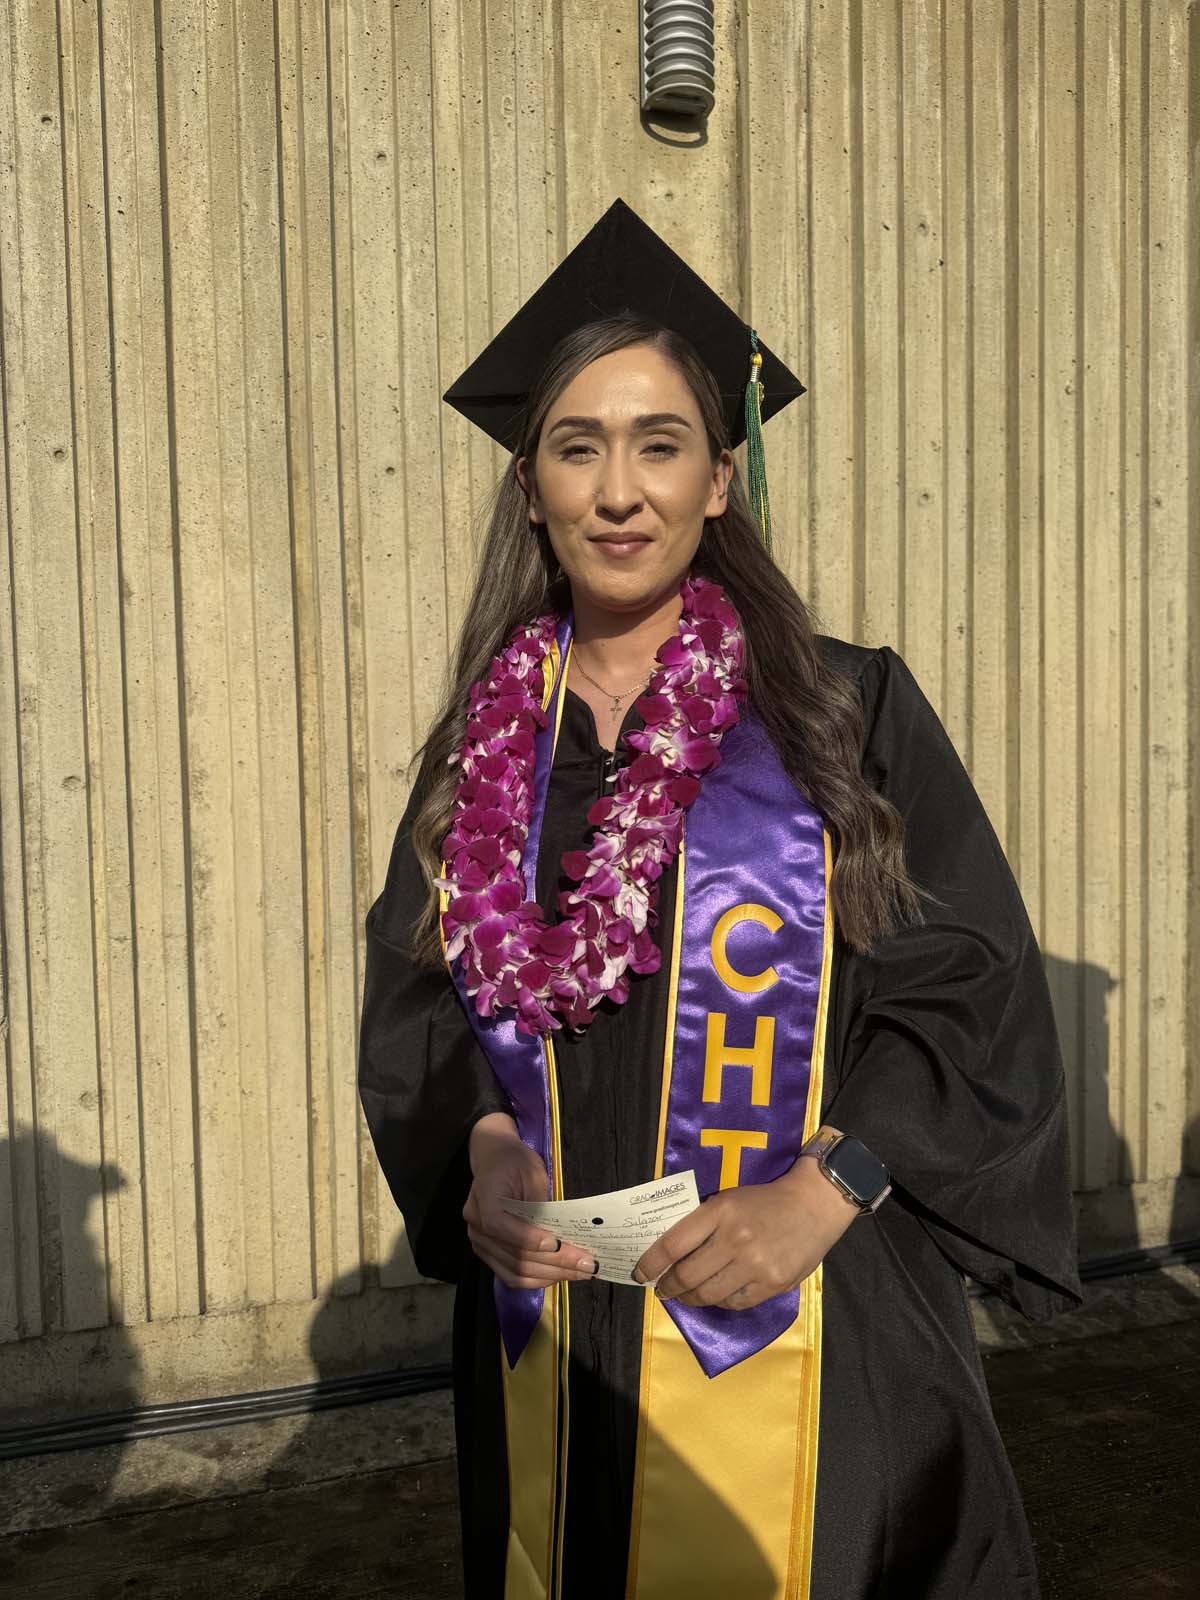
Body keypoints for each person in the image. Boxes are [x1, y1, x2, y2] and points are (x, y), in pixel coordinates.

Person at [358, 200, 1083, 1600]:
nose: (618, 490)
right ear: (532, 485)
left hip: (816, 1317)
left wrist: (827, 1192)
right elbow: (420, 1003)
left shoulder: (839, 707)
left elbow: (967, 981)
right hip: (562, 1339)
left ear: (719, 480)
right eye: (579, 447)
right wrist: (487, 1151)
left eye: (659, 444)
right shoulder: (484, 750)